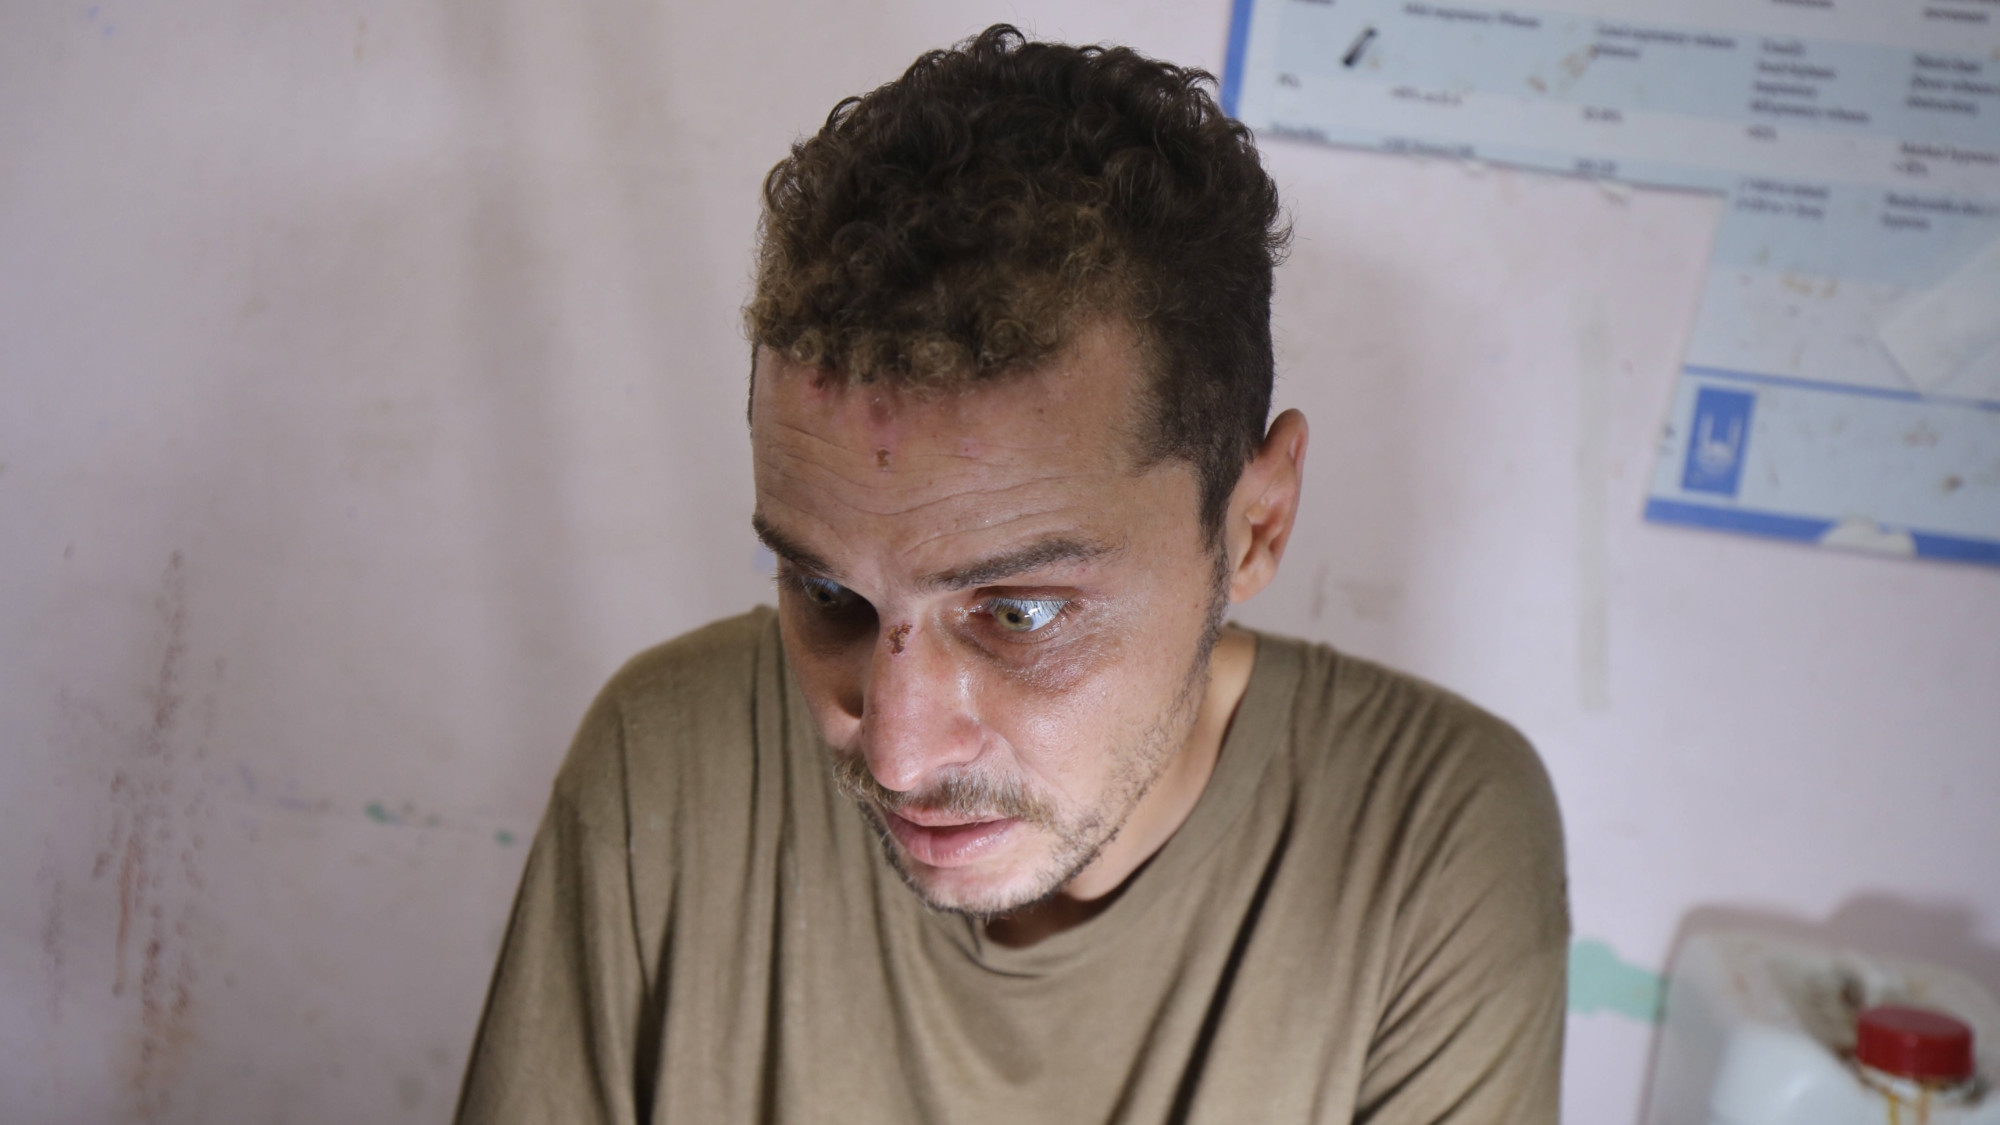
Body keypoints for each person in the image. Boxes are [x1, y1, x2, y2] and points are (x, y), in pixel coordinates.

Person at [455, 24, 1567, 1124]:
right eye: (828, 594)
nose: (893, 752)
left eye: (1019, 611)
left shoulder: (1428, 840)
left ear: (1255, 525)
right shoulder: (662, 759)